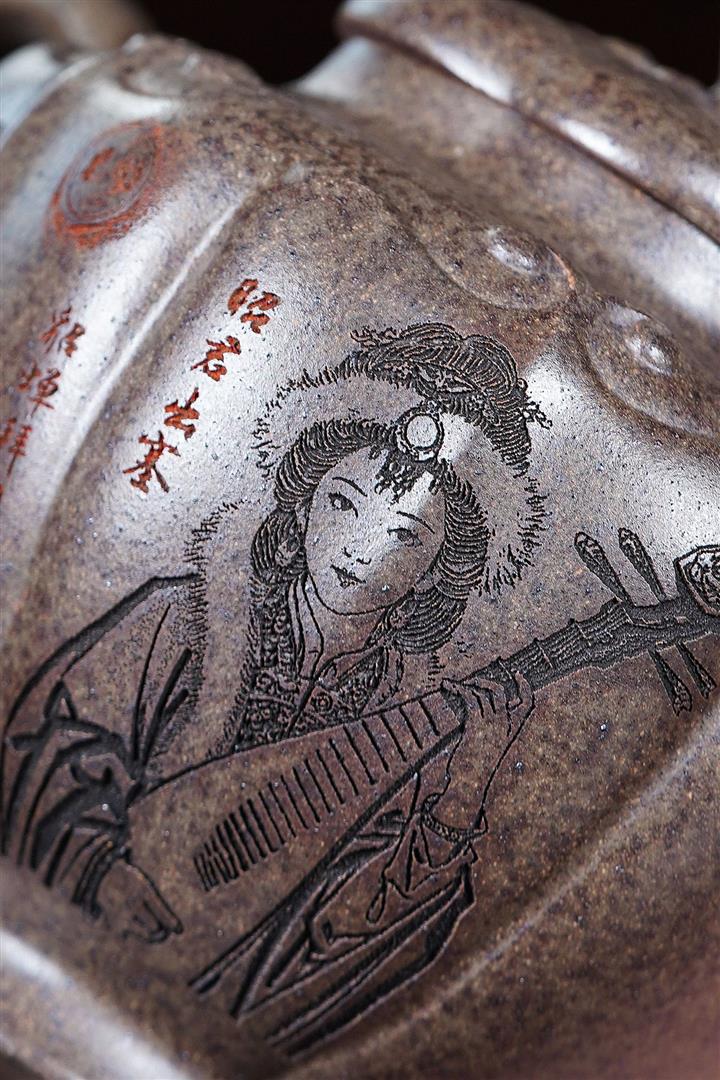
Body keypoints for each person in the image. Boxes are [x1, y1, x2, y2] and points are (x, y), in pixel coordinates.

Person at [1, 322, 549, 1036]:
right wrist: (95, 864)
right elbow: (53, 741)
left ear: (437, 570)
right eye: (343, 504)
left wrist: (464, 791)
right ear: (304, 498)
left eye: (405, 537)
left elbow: (358, 945)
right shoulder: (186, 617)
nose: (363, 551)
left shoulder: (410, 729)